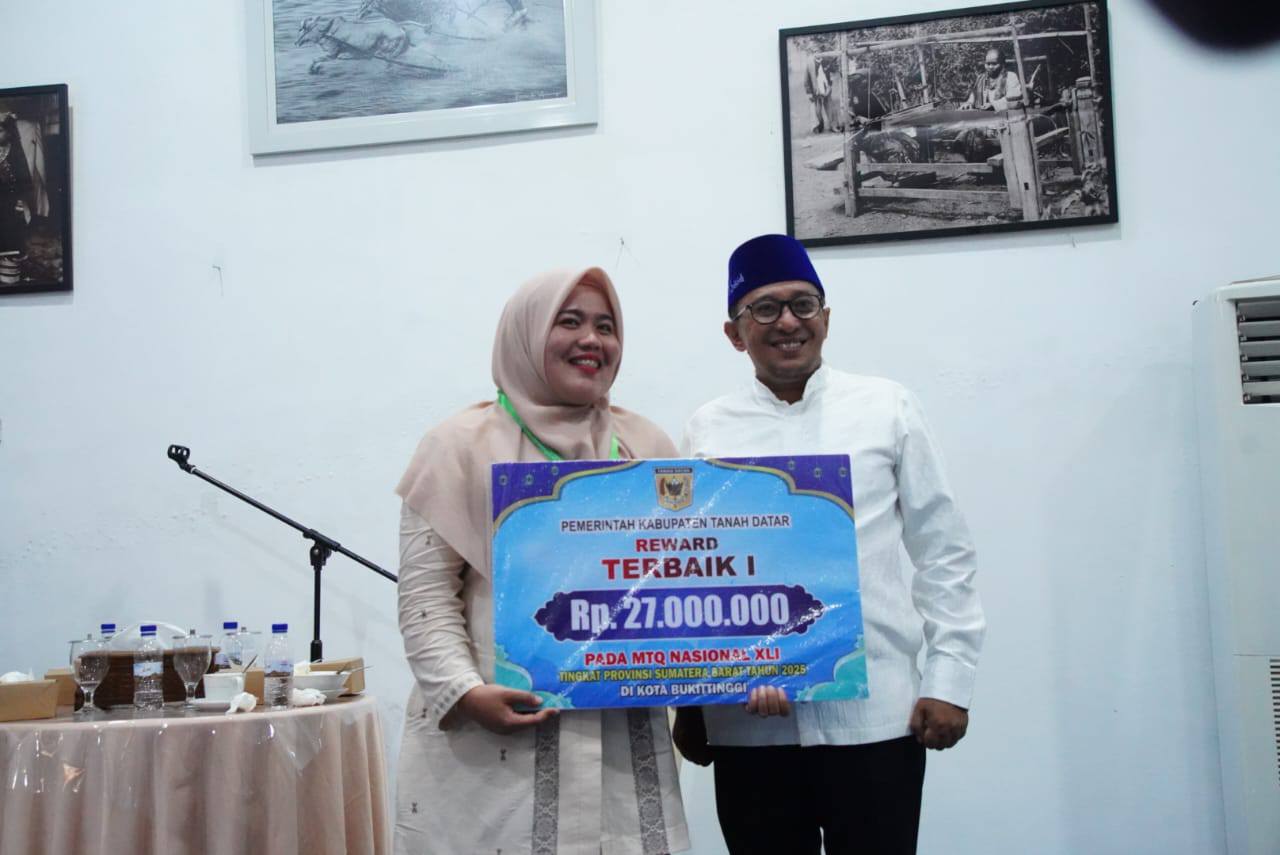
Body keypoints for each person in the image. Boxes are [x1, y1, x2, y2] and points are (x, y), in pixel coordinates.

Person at [674, 234, 985, 855]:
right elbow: (693, 572)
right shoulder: (709, 428)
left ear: (826, 317)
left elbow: (942, 550)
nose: (788, 321)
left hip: (878, 718)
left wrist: (950, 678)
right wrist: (693, 704)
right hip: (749, 728)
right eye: (765, 308)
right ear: (735, 334)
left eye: (803, 304)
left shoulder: (887, 407)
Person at [394, 267, 690, 855]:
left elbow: (685, 583)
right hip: (495, 732)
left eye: (606, 326)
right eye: (569, 321)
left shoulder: (645, 448)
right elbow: (425, 594)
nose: (592, 340)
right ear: (526, 334)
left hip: (620, 731)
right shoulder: (459, 445)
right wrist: (463, 691)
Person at [0, 114, 34, 257]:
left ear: (9, 133)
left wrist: (21, 199)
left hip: (11, 198)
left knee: (11, 224)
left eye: (0, 131)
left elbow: (23, 176)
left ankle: (11, 252)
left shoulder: (15, 151)